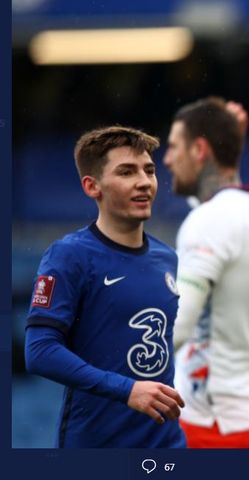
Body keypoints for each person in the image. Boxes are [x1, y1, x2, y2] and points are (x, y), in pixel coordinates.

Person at [24, 126, 186, 448]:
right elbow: (39, 352)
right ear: (92, 186)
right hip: (98, 446)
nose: (143, 181)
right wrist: (127, 390)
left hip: (167, 445)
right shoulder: (69, 255)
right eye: (126, 172)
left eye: (149, 170)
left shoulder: (167, 258)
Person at [164, 97, 249, 448]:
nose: (167, 159)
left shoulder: (209, 221)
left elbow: (177, 329)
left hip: (213, 419)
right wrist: (228, 141)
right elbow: (222, 213)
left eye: (174, 147)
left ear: (200, 149)